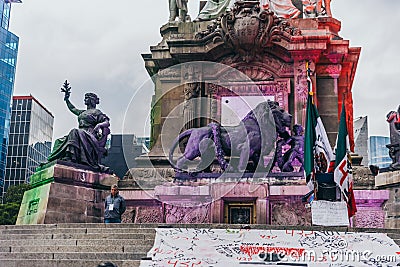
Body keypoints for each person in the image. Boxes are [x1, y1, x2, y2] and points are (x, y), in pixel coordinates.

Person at [47, 81, 110, 172]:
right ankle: (55, 159)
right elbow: (73, 109)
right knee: (58, 141)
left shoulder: (97, 112)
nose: (85, 100)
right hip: (80, 134)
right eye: (85, 98)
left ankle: (70, 156)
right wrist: (67, 99)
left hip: (90, 134)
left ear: (92, 100)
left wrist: (99, 125)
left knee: (74, 131)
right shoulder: (82, 112)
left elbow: (106, 122)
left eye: (87, 98)